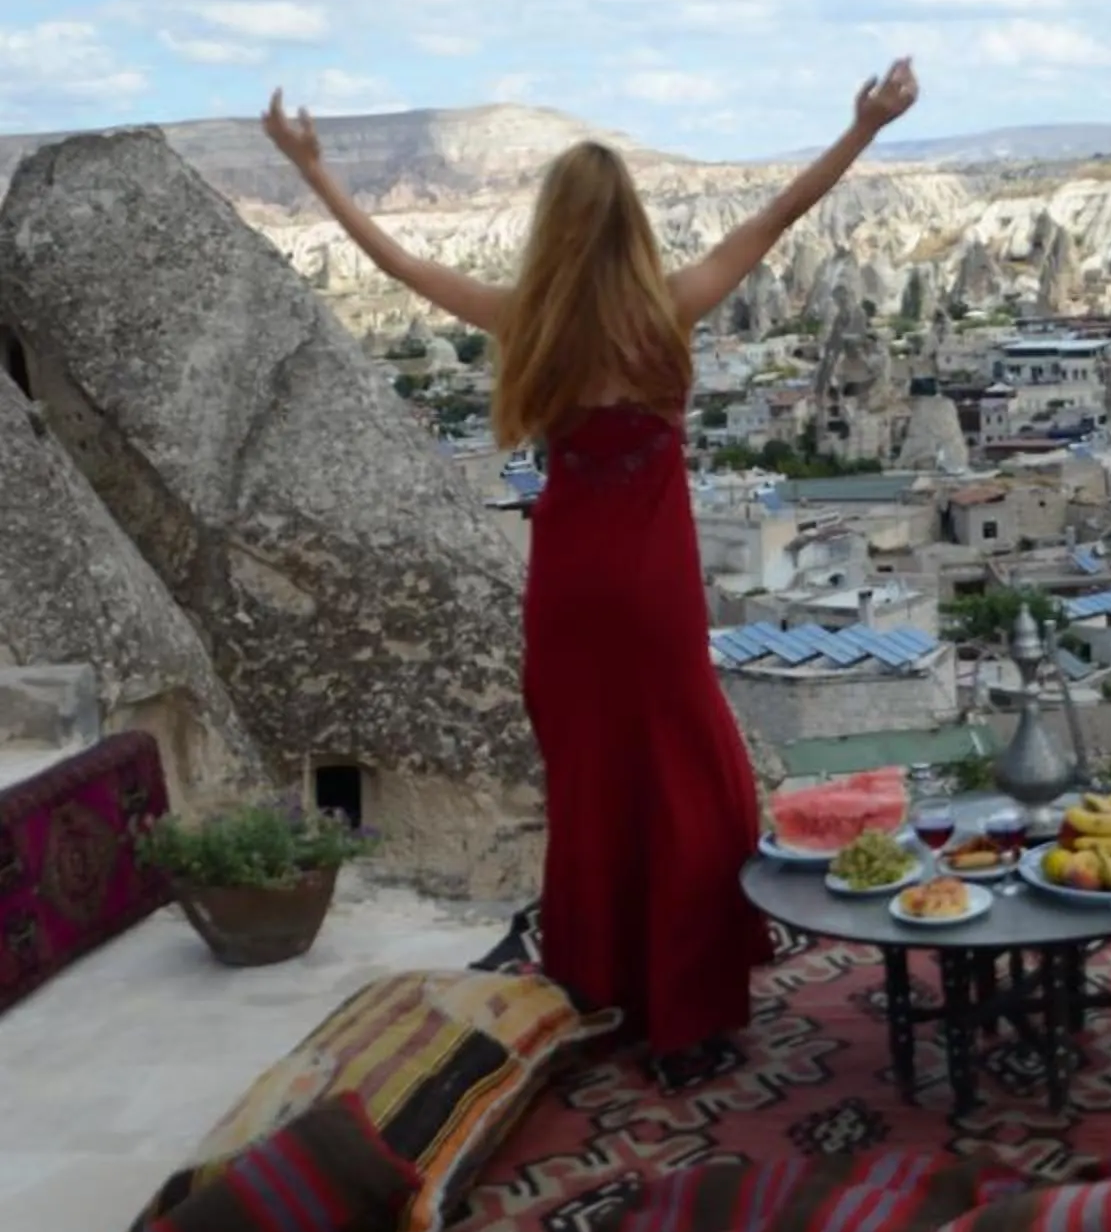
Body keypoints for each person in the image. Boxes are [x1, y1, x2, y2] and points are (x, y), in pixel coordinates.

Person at [261, 62, 920, 1082]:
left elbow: (396, 264)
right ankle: (690, 1016)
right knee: (685, 781)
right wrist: (865, 124)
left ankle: (601, 989)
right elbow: (783, 213)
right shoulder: (672, 309)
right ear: (632, 227)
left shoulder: (525, 322)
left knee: (591, 787)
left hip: (568, 585)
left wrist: (313, 171)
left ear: (552, 231)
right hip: (654, 588)